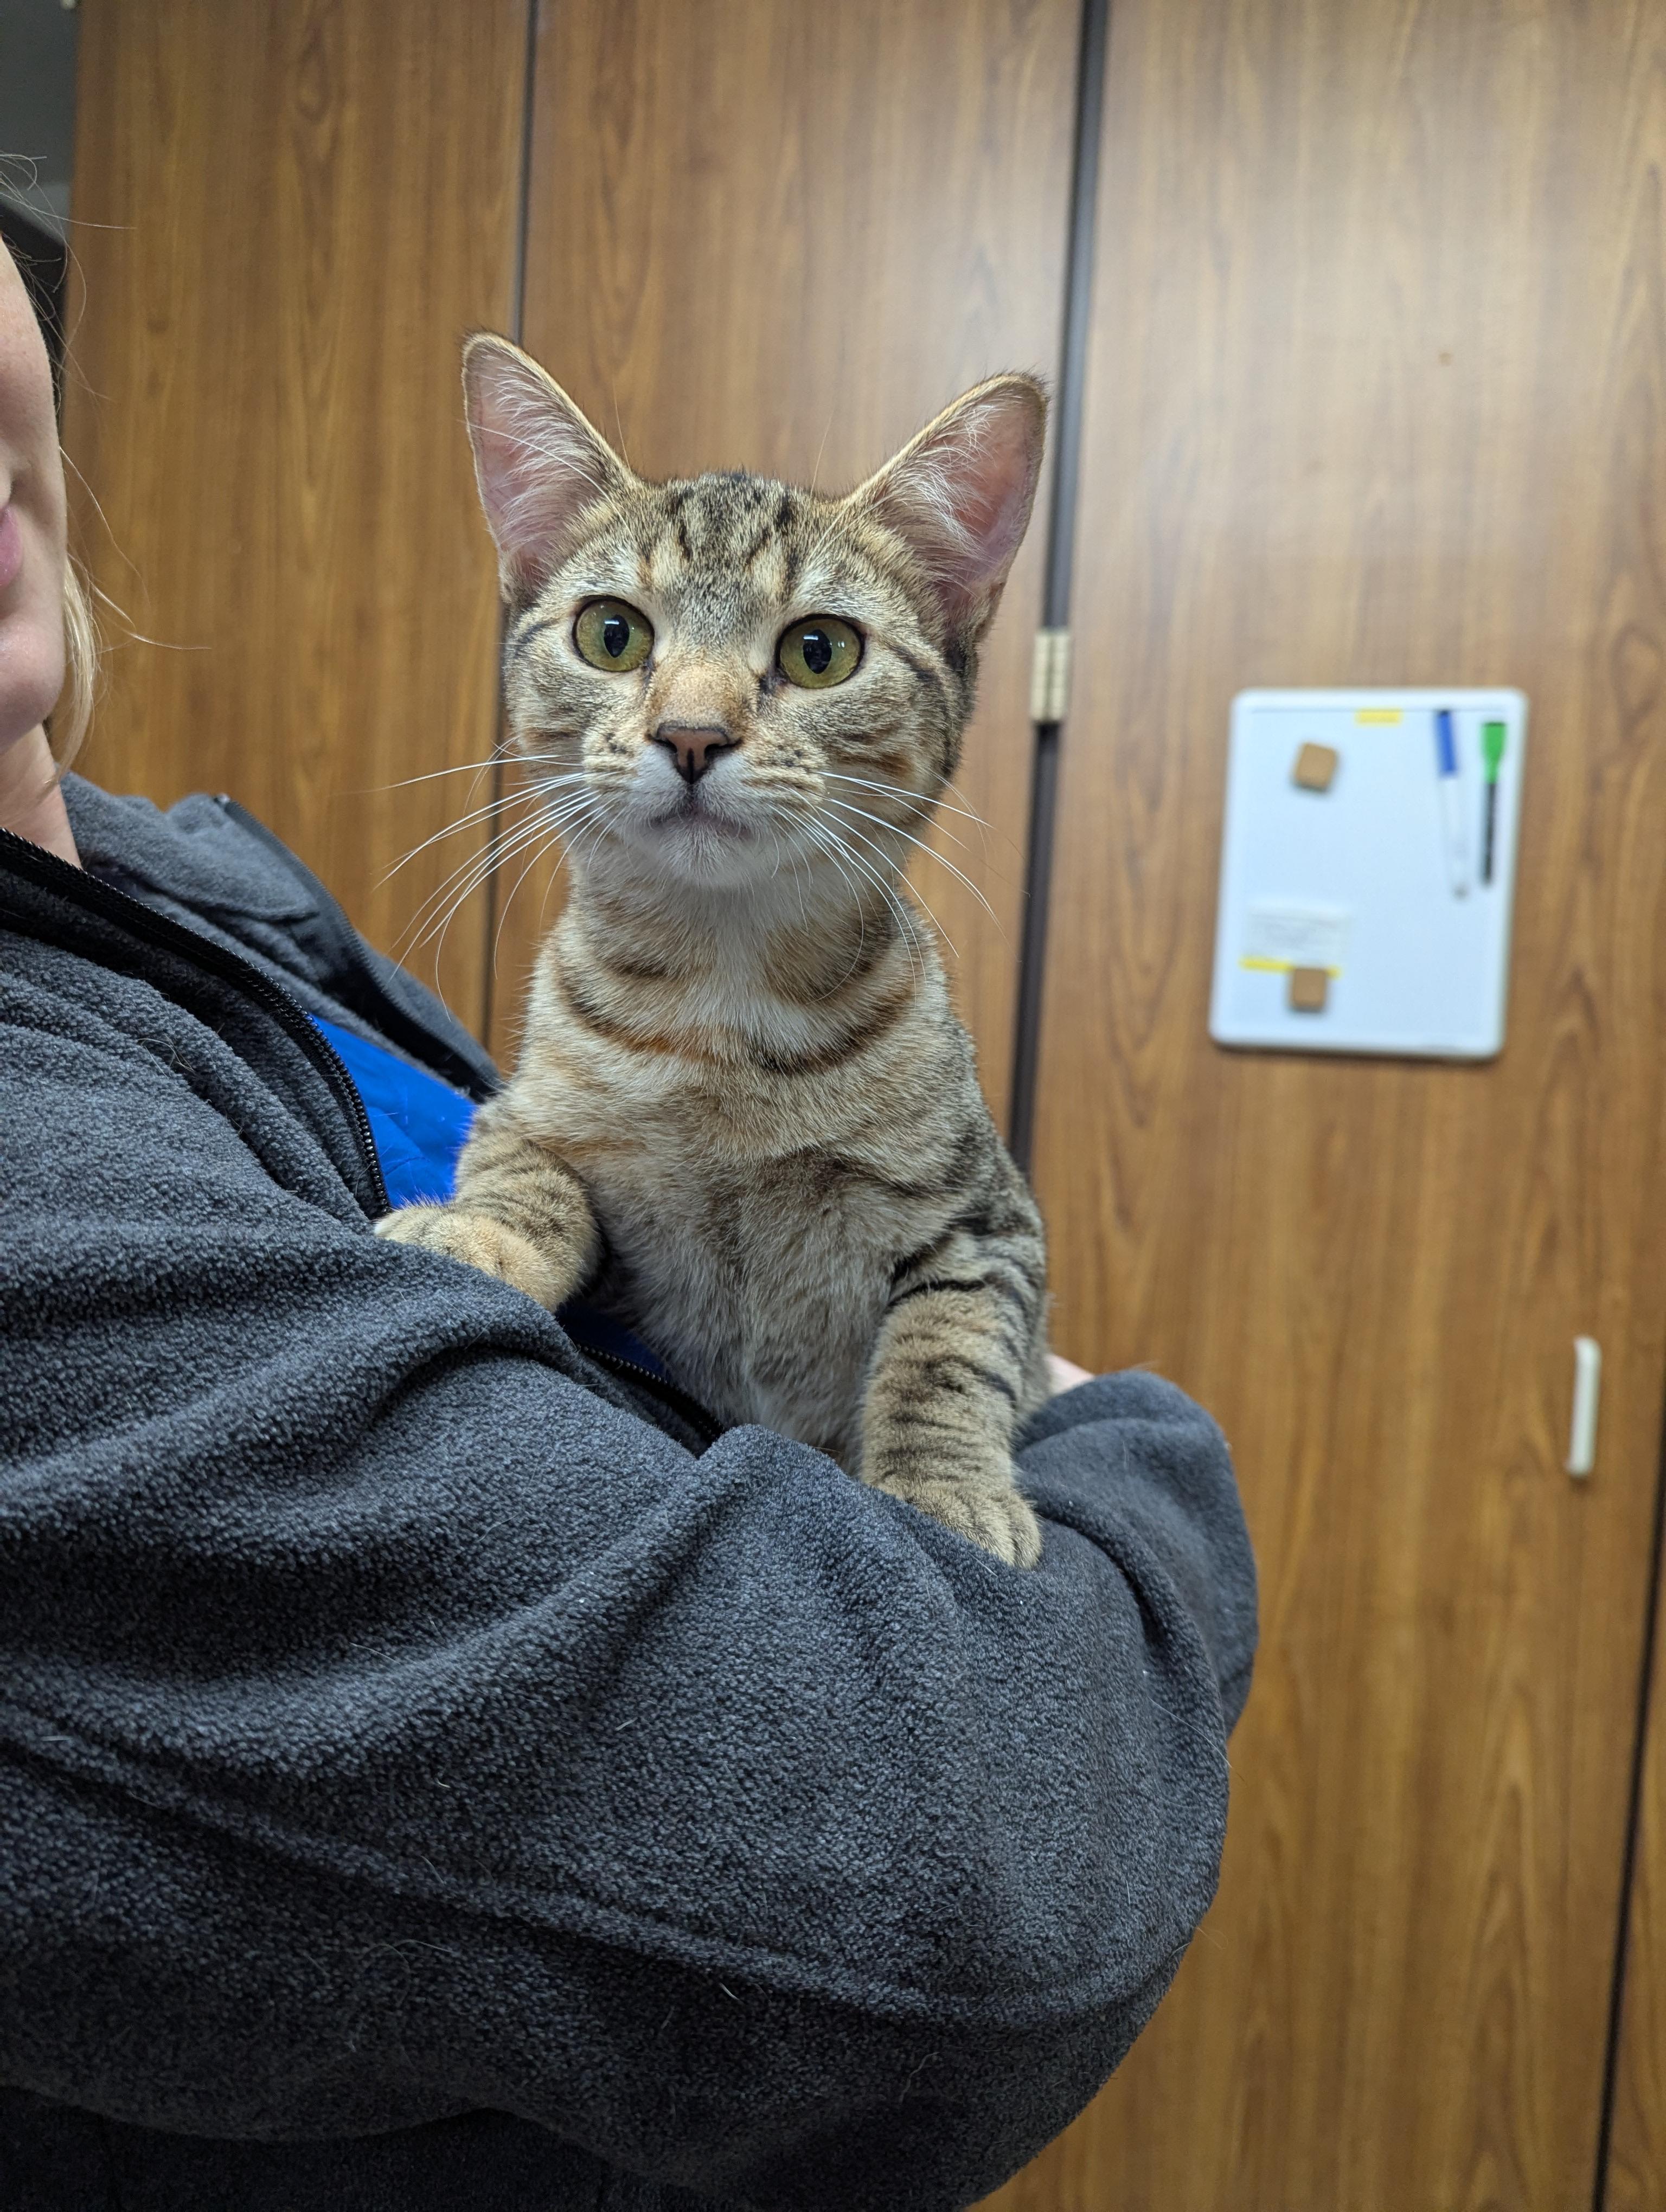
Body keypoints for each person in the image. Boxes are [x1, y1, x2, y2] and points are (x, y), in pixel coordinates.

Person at [0, 232, 1256, 2212]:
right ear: (522, 613)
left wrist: (952, 1441)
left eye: (813, 653)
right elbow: (977, 1908)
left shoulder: (199, 895)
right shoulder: (53, 1152)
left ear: (955, 634)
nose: (687, 713)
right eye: (608, 634)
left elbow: (974, 1247)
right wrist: (1138, 1454)